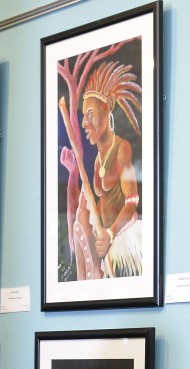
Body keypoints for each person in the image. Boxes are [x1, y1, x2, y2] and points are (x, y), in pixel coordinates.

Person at [62, 60, 143, 280]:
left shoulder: (121, 148)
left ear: (106, 113)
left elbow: (132, 201)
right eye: (83, 116)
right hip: (103, 241)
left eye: (90, 114)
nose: (85, 123)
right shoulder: (98, 160)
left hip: (121, 239)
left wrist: (109, 233)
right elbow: (101, 201)